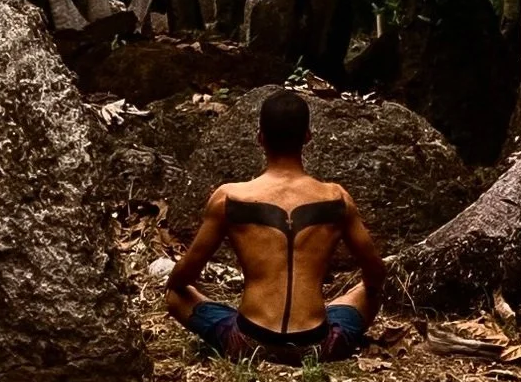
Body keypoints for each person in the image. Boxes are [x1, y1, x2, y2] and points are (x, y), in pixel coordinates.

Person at [164, 87, 385, 364]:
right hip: (317, 345)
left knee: (175, 296)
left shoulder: (229, 198)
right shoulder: (337, 199)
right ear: (307, 137)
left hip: (249, 341)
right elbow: (376, 273)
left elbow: (182, 279)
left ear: (260, 138)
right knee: (367, 292)